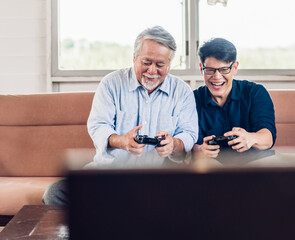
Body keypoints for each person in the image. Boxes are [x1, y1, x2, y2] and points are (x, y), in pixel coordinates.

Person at [42, 26, 198, 205]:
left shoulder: (183, 92)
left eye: (160, 65)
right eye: (146, 62)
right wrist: (122, 141)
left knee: (194, 197)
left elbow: (188, 134)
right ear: (134, 58)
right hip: (109, 176)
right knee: (54, 194)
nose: (152, 70)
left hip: (159, 179)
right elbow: (99, 126)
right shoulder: (111, 84)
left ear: (169, 65)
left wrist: (173, 144)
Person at [192, 38, 277, 165]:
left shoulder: (255, 92)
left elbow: (268, 138)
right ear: (201, 68)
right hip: (214, 165)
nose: (217, 76)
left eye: (224, 69)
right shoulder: (193, 100)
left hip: (256, 162)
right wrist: (200, 150)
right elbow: (189, 144)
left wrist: (250, 138)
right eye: (210, 70)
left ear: (235, 67)